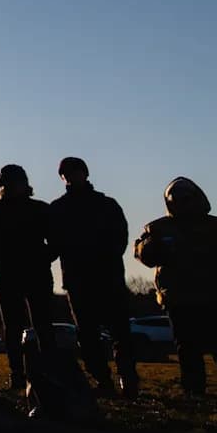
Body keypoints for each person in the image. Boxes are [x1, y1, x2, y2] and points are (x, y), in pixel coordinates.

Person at [48, 157, 139, 398]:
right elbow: (53, 243)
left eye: (74, 171)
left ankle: (127, 377)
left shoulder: (106, 204)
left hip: (107, 276)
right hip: (79, 280)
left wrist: (102, 256)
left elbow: (120, 237)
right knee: (87, 335)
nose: (70, 176)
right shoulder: (58, 208)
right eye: (65, 173)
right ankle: (102, 378)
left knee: (120, 332)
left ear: (84, 173)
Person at [134, 177, 217, 398]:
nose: (183, 204)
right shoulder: (158, 228)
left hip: (212, 297)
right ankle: (194, 391)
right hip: (179, 299)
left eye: (187, 199)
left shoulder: (214, 226)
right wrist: (149, 246)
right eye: (178, 200)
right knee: (187, 348)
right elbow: (143, 254)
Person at [0, 164, 56, 390]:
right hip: (8, 272)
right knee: (13, 324)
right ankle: (17, 372)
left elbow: (56, 239)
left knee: (41, 323)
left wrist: (45, 257)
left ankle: (47, 370)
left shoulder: (39, 209)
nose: (13, 187)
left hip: (34, 272)